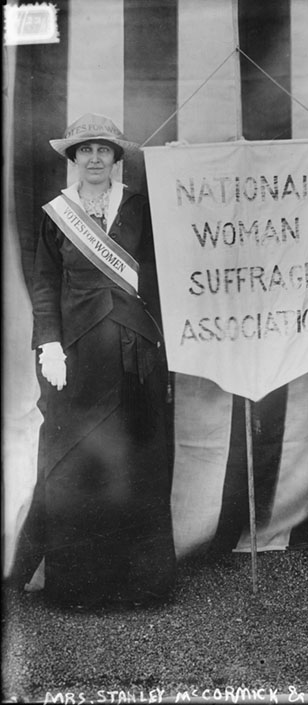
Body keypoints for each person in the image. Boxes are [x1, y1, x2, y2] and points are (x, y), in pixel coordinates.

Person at [13, 113, 176, 608]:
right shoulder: (55, 214)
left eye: (104, 150)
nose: (95, 159)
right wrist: (49, 344)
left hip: (135, 354)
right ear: (73, 159)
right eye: (85, 151)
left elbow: (164, 274)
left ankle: (141, 586)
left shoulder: (141, 208)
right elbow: (44, 285)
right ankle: (80, 587)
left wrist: (164, 339)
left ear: (116, 157)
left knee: (137, 463)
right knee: (77, 467)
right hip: (77, 358)